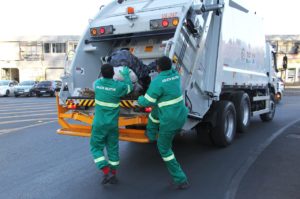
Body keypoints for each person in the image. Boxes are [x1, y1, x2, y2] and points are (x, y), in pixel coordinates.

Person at [137, 56, 189, 189]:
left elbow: (147, 101)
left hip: (170, 121)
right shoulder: (175, 75)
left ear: (158, 68)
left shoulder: (157, 81)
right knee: (154, 113)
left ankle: (180, 179)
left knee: (164, 148)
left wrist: (140, 98)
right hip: (181, 114)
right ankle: (151, 134)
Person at [90, 64, 133, 185]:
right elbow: (129, 88)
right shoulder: (118, 86)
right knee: (113, 149)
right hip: (112, 125)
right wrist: (126, 76)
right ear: (114, 74)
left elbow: (95, 84)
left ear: (101, 74)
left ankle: (105, 170)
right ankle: (112, 175)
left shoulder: (97, 84)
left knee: (96, 147)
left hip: (99, 124)